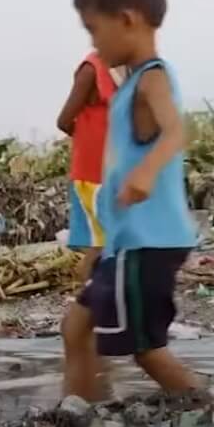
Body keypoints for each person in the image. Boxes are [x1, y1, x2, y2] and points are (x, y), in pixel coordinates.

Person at [61, 0, 199, 400]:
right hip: (128, 242)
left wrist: (144, 173)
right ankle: (82, 413)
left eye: (93, 29)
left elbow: (178, 131)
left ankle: (213, 410)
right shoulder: (130, 84)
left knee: (145, 349)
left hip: (149, 241)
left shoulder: (152, 78)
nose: (93, 43)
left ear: (127, 19)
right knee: (75, 326)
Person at [57, 52, 120, 283]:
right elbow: (64, 121)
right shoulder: (91, 70)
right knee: (105, 243)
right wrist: (91, 140)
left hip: (114, 173)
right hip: (93, 176)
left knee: (103, 244)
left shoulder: (123, 71)